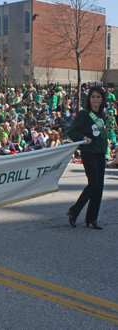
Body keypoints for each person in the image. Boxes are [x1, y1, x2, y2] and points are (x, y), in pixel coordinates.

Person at [66, 86, 108, 230]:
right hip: (88, 152)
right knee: (93, 184)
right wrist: (82, 137)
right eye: (92, 96)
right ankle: (74, 210)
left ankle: (92, 218)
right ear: (89, 99)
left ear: (102, 99)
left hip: (100, 153)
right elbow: (71, 131)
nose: (95, 99)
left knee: (99, 186)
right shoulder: (84, 114)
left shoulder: (102, 116)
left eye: (98, 97)